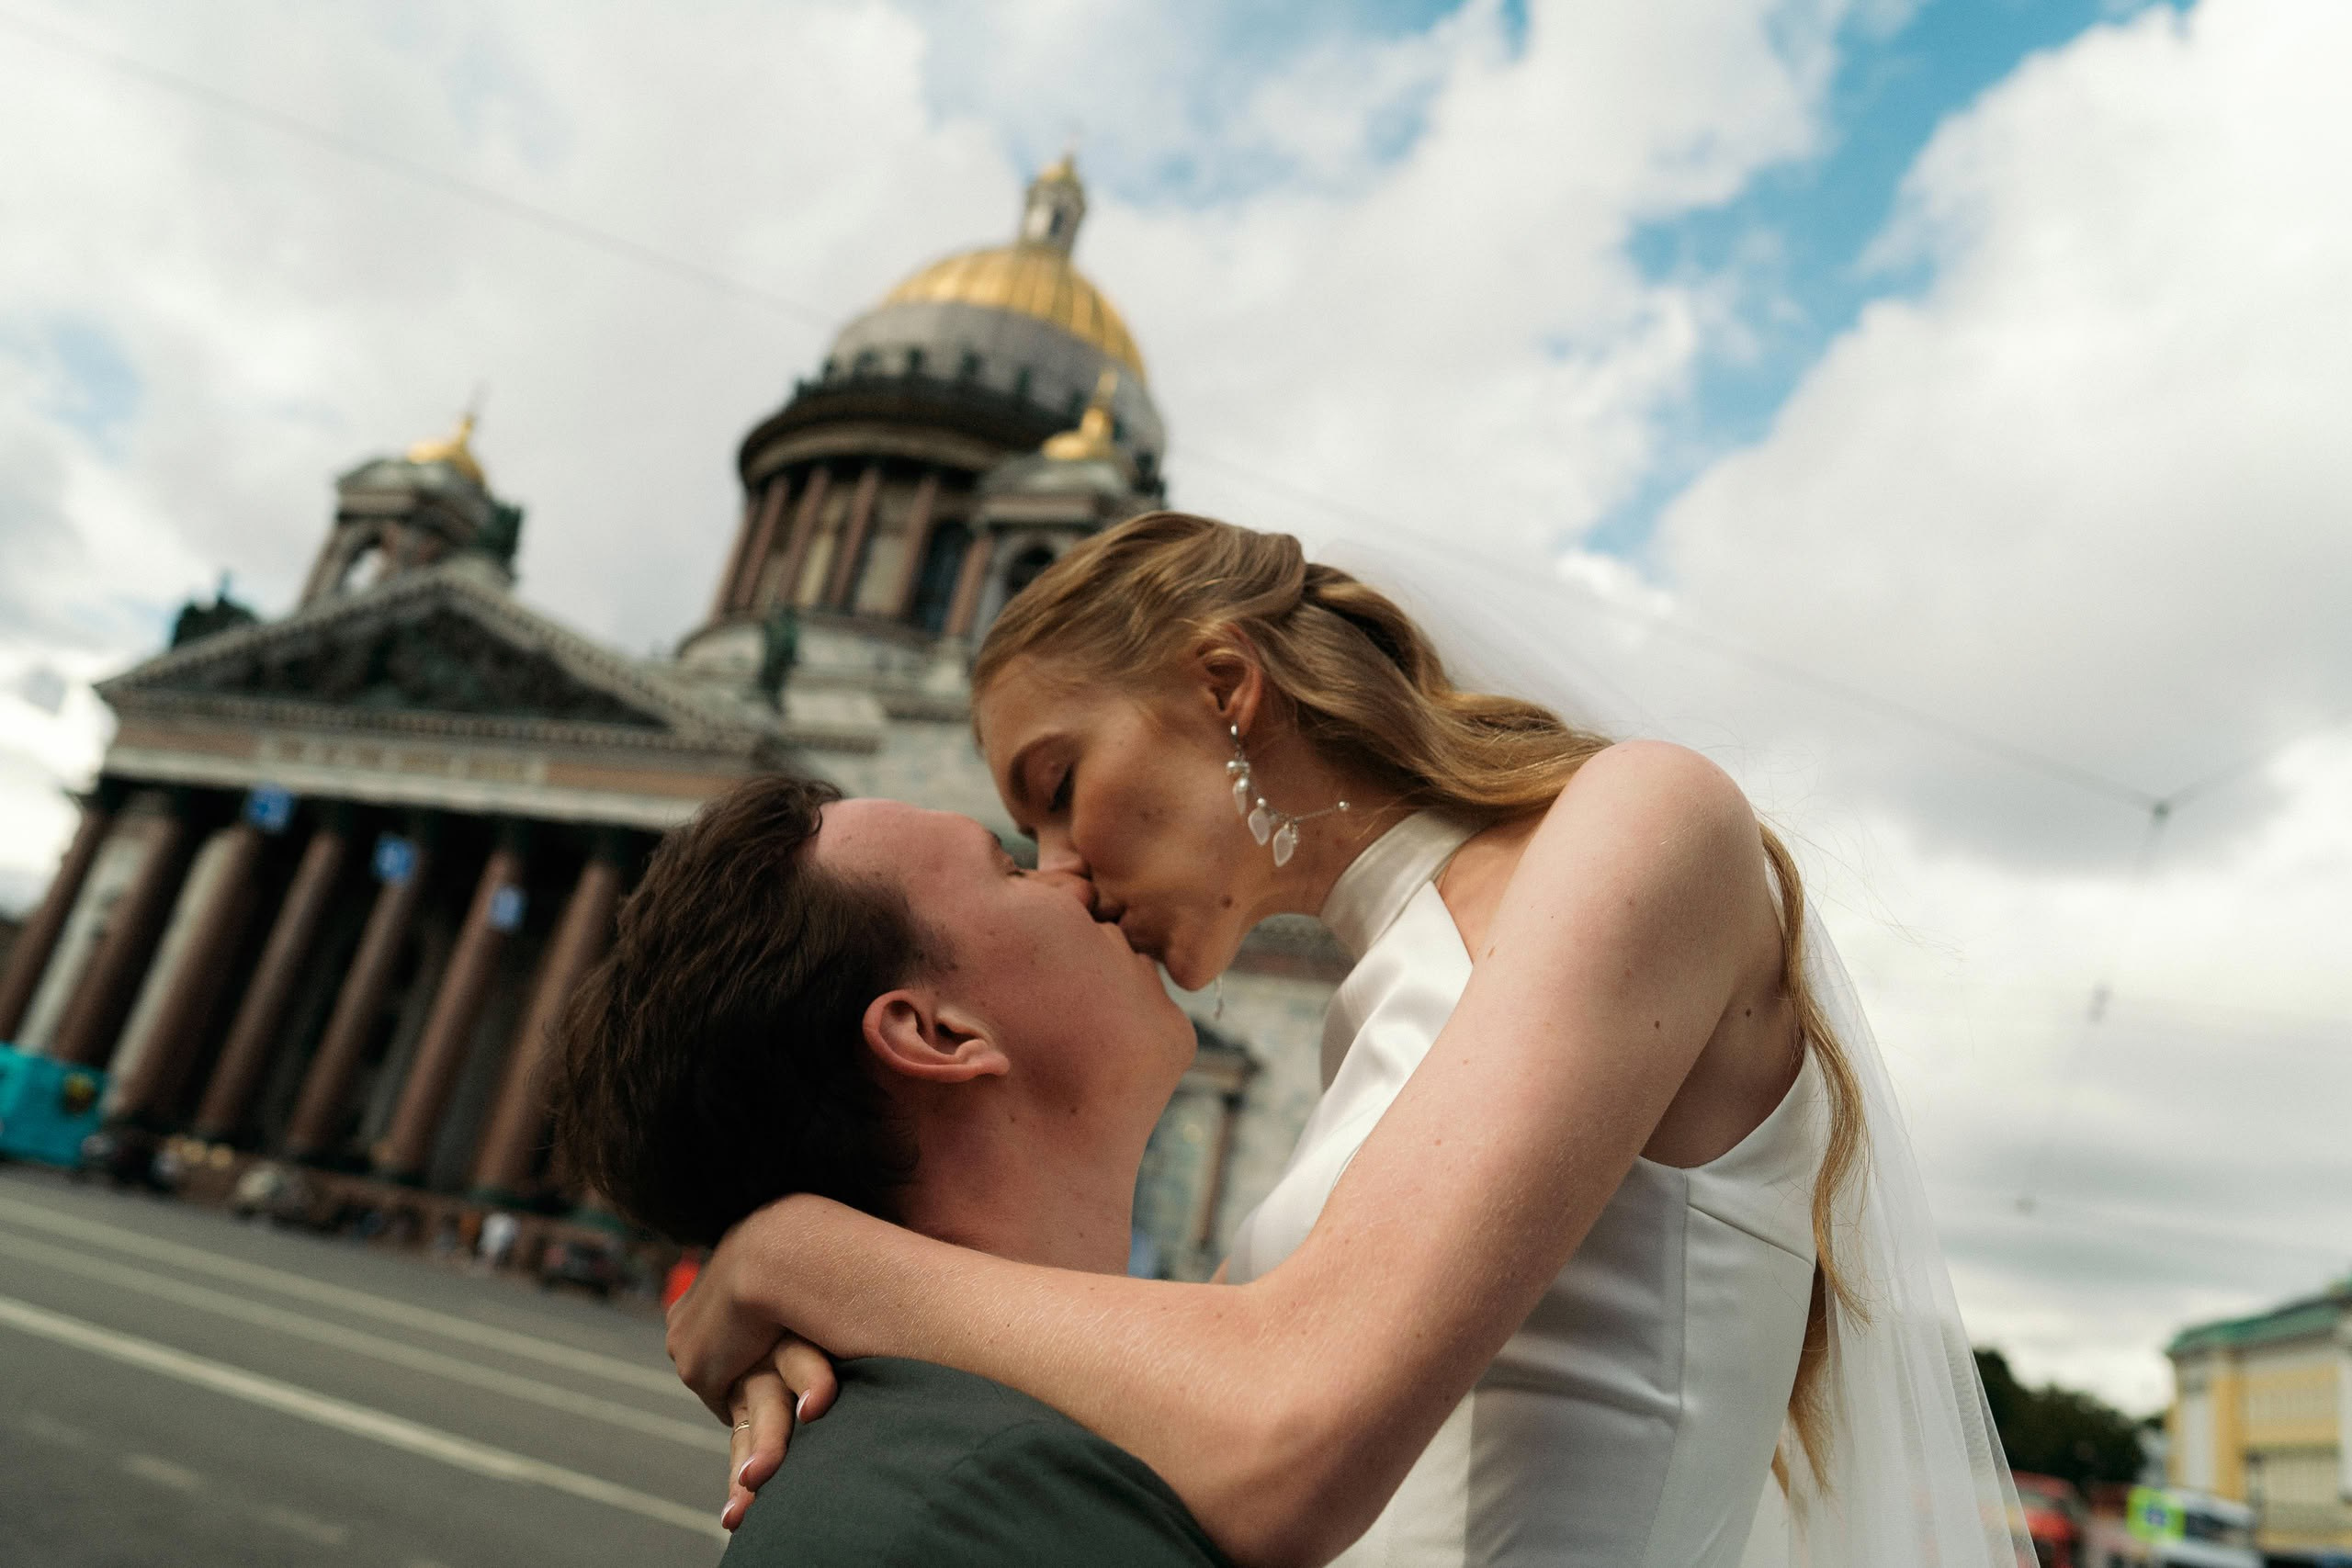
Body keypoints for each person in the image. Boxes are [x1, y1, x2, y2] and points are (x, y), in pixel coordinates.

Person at [673, 513, 2027, 1567]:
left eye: (1059, 785)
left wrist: (810, 1254)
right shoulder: (1367, 1013)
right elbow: (1190, 1394)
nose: (1063, 867)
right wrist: (797, 1351)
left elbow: (1285, 1435)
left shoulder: (1639, 823)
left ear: (1222, 685)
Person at [551, 775, 1232, 1565]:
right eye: (1010, 868)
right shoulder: (968, 1509)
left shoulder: (977, 1467)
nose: (1072, 869)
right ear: (935, 1034)